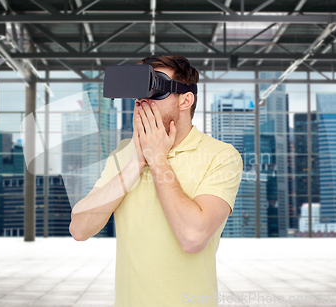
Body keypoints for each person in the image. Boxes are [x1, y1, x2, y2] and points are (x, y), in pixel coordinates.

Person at [69, 55, 243, 307]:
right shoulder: (122, 155)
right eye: (138, 93)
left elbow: (193, 237)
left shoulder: (221, 155)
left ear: (185, 99)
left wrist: (158, 158)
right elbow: (79, 229)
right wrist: (136, 162)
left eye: (154, 89)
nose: (141, 101)